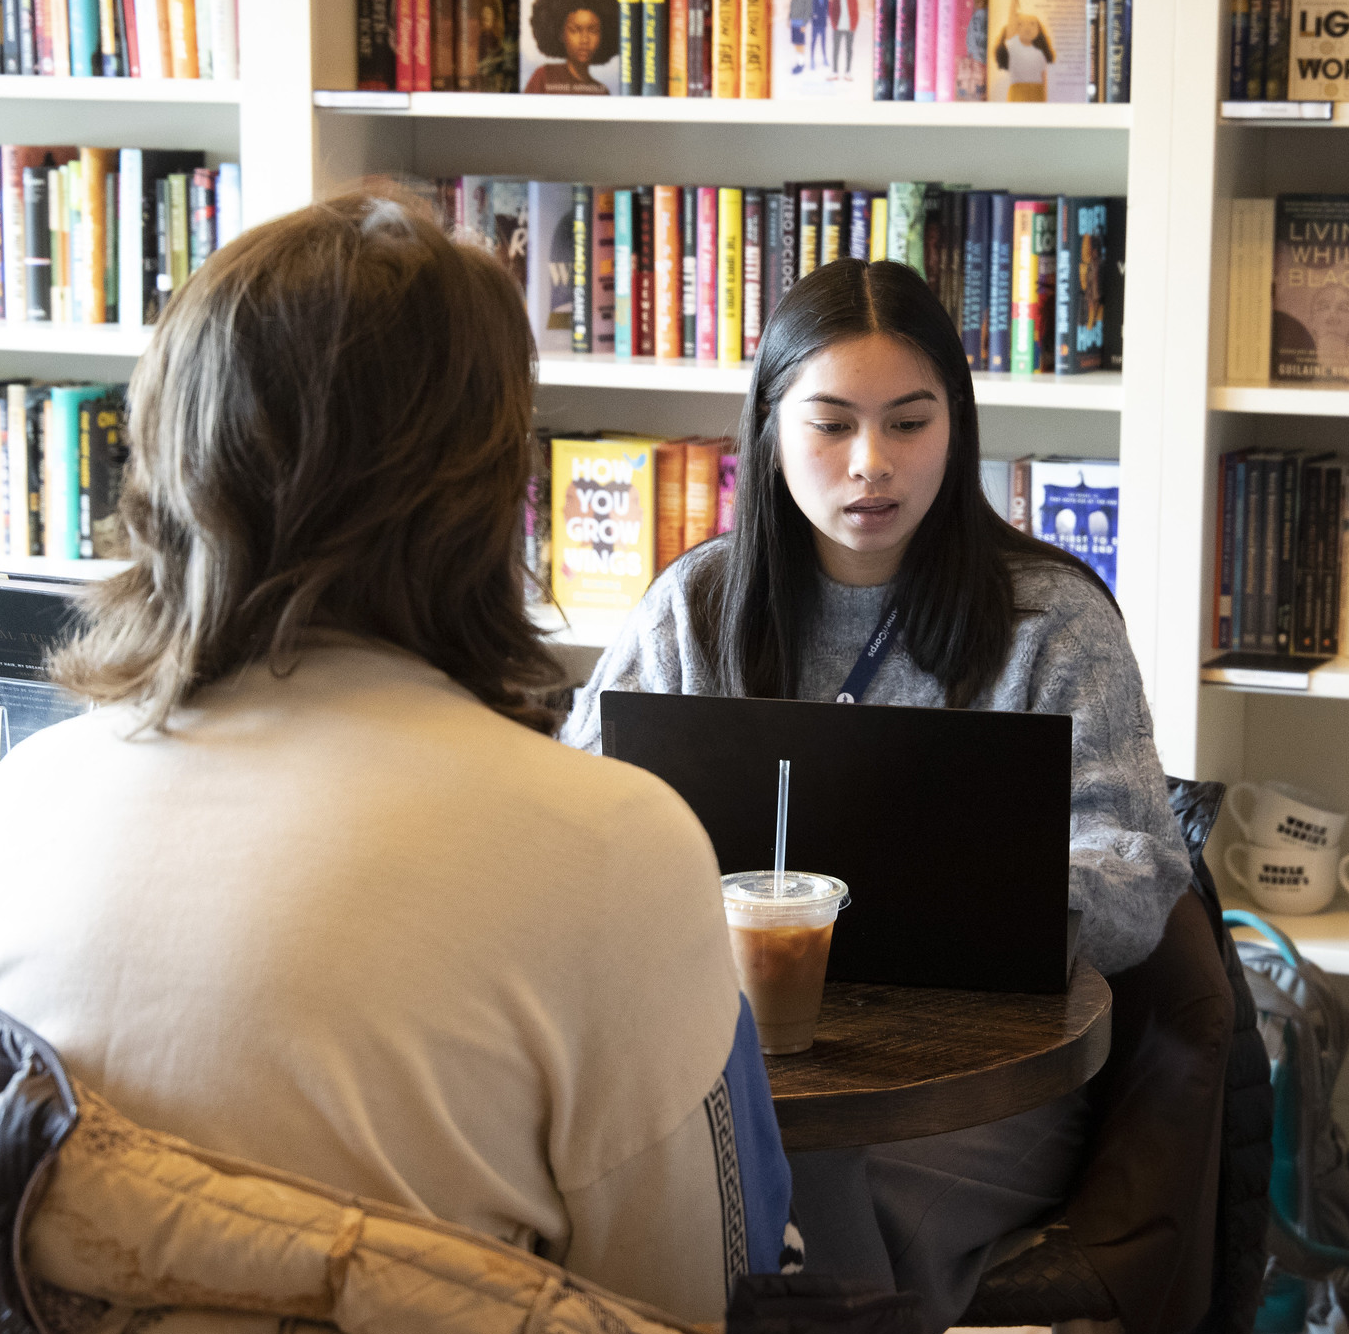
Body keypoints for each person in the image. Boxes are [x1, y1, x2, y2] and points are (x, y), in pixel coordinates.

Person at [0, 193, 796, 1323]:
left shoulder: (23, 796)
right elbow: (694, 1298)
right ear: (489, 490)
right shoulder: (612, 845)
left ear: (172, 459)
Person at [561, 258, 1193, 1331]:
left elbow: (1138, 867)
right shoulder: (695, 605)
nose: (871, 465)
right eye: (830, 424)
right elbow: (573, 820)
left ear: (958, 424)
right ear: (767, 427)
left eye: (908, 422)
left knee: (806, 1185)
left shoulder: (1051, 619)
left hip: (978, 1078)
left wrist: (988, 906)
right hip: (725, 1050)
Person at [524, 0, 617, 93]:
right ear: (561, 34)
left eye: (593, 30)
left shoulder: (601, 92)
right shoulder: (544, 77)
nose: (584, 40)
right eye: (575, 30)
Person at [992, 0, 1056, 101]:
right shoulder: (1013, 46)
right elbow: (1011, 22)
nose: (1027, 27)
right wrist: (1013, 5)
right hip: (1018, 93)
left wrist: (1044, 101)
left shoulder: (1040, 54)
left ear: (1038, 30)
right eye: (1021, 24)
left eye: (1032, 24)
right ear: (1016, 29)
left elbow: (1044, 78)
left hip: (1037, 92)